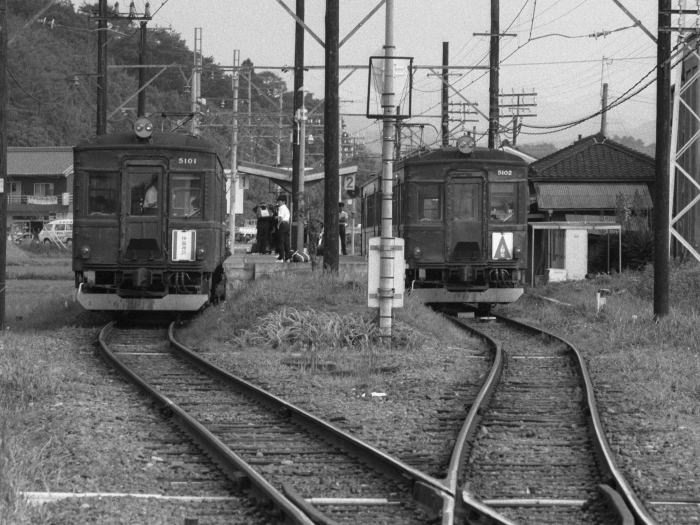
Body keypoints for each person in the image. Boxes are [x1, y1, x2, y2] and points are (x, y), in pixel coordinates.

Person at [275, 195, 291, 261]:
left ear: (283, 202)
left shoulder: (281, 207)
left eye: (279, 201)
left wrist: (278, 224)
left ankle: (281, 257)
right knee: (286, 242)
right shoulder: (286, 208)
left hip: (282, 224)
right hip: (287, 224)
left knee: (281, 241)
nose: (278, 203)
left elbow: (281, 218)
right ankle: (288, 257)